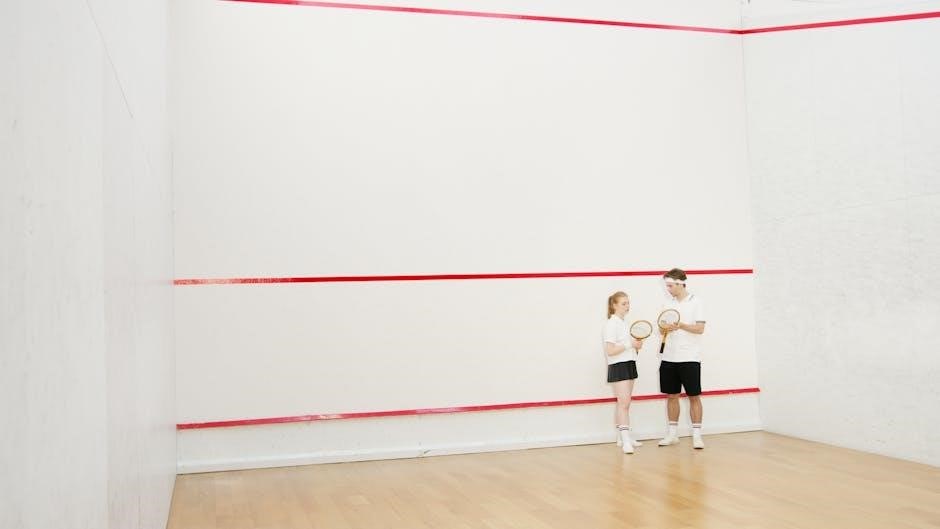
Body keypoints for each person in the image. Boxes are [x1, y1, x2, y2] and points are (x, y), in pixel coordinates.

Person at [656, 268, 707, 449]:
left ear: (680, 284)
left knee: (694, 396)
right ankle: (672, 435)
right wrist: (665, 328)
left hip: (690, 357)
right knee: (672, 396)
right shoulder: (667, 303)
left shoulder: (696, 302)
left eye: (670, 286)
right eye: (666, 286)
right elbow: (661, 327)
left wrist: (681, 326)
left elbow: (700, 329)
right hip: (669, 357)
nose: (668, 289)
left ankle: (697, 436)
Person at [604, 291, 645, 454]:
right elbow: (610, 350)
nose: (627, 306)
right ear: (614, 305)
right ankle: (626, 441)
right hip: (618, 365)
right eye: (623, 303)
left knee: (625, 403)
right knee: (624, 403)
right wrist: (630, 344)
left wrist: (636, 346)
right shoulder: (611, 324)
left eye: (628, 303)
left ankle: (622, 438)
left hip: (629, 363)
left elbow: (627, 346)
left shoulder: (624, 323)